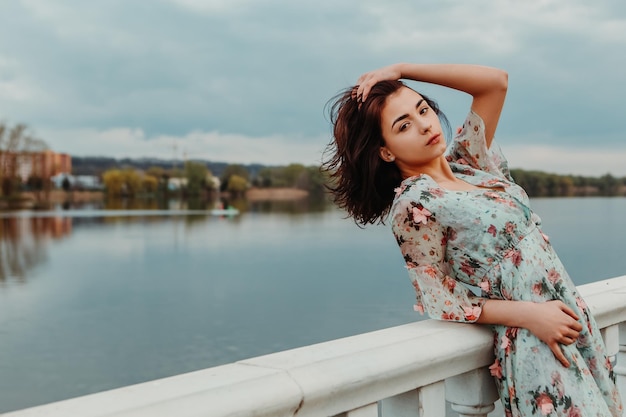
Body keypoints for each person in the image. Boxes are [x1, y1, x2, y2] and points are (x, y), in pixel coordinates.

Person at [323, 63, 623, 417]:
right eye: (403, 125)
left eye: (423, 109)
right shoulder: (415, 202)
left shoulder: (470, 164)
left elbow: (495, 84)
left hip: (571, 322)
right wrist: (530, 316)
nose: (424, 125)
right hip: (537, 339)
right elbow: (440, 298)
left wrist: (402, 68)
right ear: (386, 151)